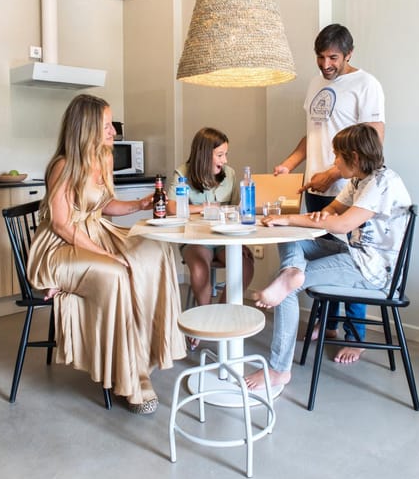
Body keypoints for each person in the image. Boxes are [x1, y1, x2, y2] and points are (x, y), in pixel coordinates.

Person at [27, 94, 186, 414]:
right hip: (61, 245)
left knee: (155, 249)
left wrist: (139, 204)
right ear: (86, 128)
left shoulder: (105, 157)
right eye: (106, 125)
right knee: (116, 271)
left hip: (93, 233)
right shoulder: (63, 166)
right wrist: (104, 254)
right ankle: (132, 381)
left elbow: (105, 207)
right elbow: (60, 224)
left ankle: (147, 350)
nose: (114, 130)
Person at [245, 123, 411, 391]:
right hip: (355, 254)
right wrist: (293, 220)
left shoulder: (382, 182)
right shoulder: (359, 179)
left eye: (337, 156)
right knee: (289, 236)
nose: (334, 162)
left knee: (287, 288)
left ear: (354, 158)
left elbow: (342, 225)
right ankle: (291, 273)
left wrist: (288, 217)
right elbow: (332, 211)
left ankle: (278, 371)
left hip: (373, 271)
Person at [273, 23, 385, 363]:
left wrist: (333, 173)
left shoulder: (366, 85)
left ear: (349, 54)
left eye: (333, 57)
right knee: (319, 253)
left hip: (348, 189)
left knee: (349, 257)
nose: (325, 64)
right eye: (320, 57)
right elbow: (312, 133)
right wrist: (289, 165)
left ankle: (355, 334)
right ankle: (328, 322)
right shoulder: (315, 83)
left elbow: (375, 137)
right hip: (315, 186)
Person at [167, 127, 254, 307]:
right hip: (196, 237)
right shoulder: (182, 173)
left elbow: (237, 208)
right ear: (205, 154)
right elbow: (171, 207)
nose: (225, 160)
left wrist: (241, 241)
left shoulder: (229, 173)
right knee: (200, 268)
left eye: (225, 154)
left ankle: (222, 314)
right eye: (220, 155)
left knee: (245, 265)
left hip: (224, 237)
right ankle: (204, 315)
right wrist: (204, 207)